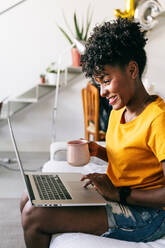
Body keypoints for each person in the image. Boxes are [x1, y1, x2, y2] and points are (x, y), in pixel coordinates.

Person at [20, 17, 165, 248]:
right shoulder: (121, 109)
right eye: (99, 84)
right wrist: (98, 151)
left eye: (106, 81)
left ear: (132, 70)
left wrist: (119, 194)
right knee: (28, 198)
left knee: (33, 216)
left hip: (149, 214)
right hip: (118, 196)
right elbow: (136, 160)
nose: (103, 92)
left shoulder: (158, 118)